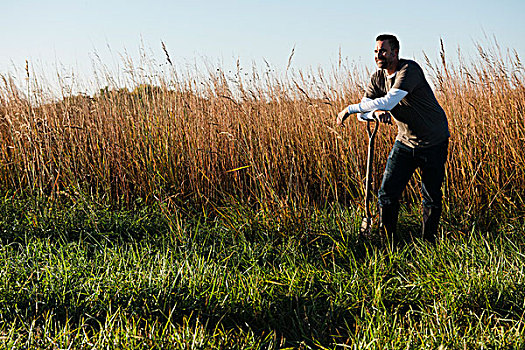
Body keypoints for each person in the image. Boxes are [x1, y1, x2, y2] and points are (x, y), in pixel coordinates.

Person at [336, 34, 450, 243]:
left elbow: (388, 101)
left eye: (384, 51)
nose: (379, 55)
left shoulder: (409, 70)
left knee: (431, 195)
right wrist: (374, 114)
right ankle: (387, 243)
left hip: (433, 141)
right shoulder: (377, 78)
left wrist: (349, 109)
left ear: (395, 53)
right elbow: (366, 110)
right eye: (376, 51)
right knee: (387, 193)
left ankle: (429, 244)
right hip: (405, 141)